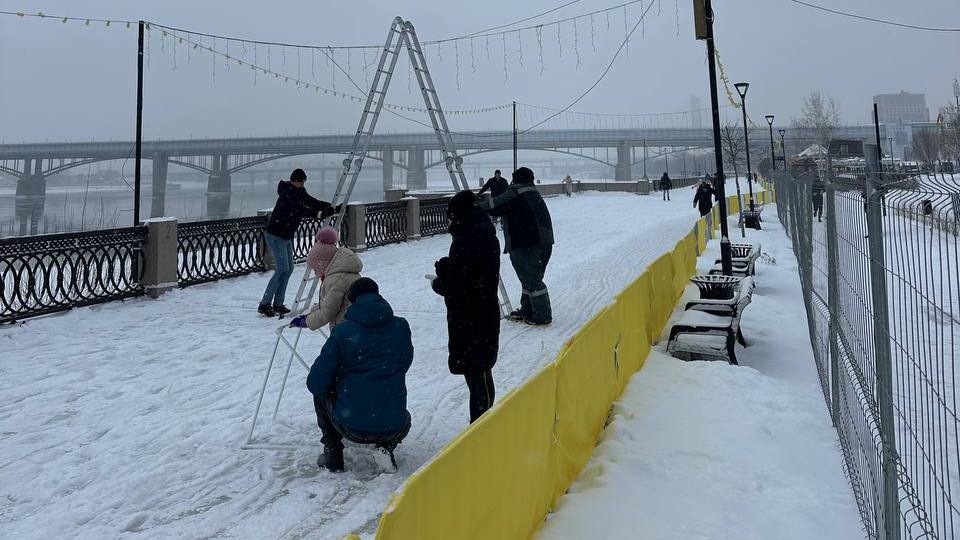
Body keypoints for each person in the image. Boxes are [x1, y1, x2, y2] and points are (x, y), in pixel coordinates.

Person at [306, 278, 413, 473]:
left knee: (320, 392)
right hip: (394, 424)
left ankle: (333, 452)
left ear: (351, 301)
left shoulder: (342, 333)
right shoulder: (401, 327)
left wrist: (339, 383)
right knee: (403, 414)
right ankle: (386, 446)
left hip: (351, 424)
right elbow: (404, 363)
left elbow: (316, 383)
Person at [431, 190, 501, 423]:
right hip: (485, 310)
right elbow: (476, 271)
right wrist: (449, 266)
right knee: (483, 369)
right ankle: (487, 421)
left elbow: (458, 286)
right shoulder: (484, 233)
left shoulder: (465, 240)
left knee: (475, 373)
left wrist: (439, 281)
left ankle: (480, 428)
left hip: (470, 316)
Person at [481, 166, 554, 326]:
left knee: (532, 279)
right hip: (545, 240)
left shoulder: (516, 192)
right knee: (531, 277)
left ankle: (542, 315)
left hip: (525, 241)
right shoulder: (532, 191)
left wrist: (471, 203)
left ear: (516, 179)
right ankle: (528, 310)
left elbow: (493, 206)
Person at [259, 169, 335, 317]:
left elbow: (310, 201)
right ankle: (265, 303)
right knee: (282, 269)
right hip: (275, 235)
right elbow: (300, 209)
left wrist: (329, 206)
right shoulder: (286, 194)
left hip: (286, 235)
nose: (301, 184)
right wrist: (320, 214)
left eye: (303, 182)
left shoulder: (299, 191)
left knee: (289, 269)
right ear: (293, 180)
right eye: (299, 181)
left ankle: (278, 304)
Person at [289, 226, 363, 331]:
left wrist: (306, 321)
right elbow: (330, 303)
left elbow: (328, 312)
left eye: (316, 269)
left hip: (345, 328)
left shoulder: (336, 279)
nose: (315, 273)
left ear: (323, 265)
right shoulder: (345, 273)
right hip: (354, 323)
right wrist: (312, 313)